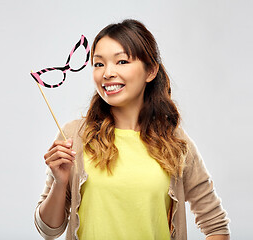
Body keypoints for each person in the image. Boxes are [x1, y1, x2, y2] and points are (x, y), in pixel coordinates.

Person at [34, 19, 230, 240]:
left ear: (151, 71)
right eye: (99, 64)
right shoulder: (75, 137)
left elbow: (216, 226)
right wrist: (60, 183)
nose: (107, 73)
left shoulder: (174, 142)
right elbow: (48, 230)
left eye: (122, 61)